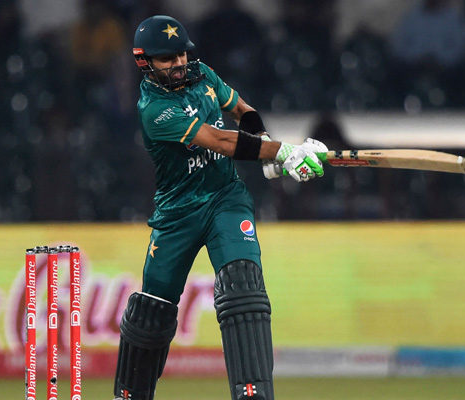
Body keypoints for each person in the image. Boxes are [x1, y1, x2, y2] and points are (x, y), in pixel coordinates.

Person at [112, 15, 327, 400]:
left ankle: (253, 393)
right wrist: (285, 150)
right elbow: (221, 140)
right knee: (151, 312)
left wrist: (265, 142)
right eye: (167, 59)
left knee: (243, 285)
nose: (179, 63)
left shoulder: (205, 76)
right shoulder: (154, 109)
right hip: (178, 212)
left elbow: (243, 111)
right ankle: (129, 395)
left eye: (181, 54)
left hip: (225, 198)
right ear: (145, 62)